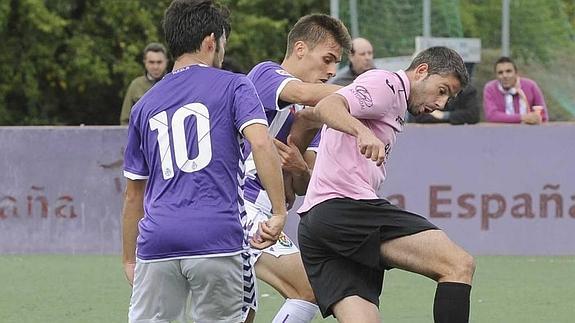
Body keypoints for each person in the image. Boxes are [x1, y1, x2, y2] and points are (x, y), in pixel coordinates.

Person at [121, 0, 287, 322]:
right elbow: (261, 143)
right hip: (217, 238)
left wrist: (130, 259)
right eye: (223, 41)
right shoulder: (235, 84)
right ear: (212, 41)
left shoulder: (144, 105)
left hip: (157, 242)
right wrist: (279, 212)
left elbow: (133, 194)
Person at [296, 46, 476, 323]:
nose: (442, 103)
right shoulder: (387, 84)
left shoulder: (392, 101)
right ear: (422, 71)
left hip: (316, 224)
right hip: (345, 209)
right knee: (458, 264)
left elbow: (310, 115)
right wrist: (361, 132)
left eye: (449, 97)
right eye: (442, 90)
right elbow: (327, 106)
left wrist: (294, 142)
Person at [243, 14, 351, 323]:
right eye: (327, 59)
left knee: (240, 314)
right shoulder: (266, 74)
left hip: (265, 213)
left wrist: (297, 166)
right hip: (241, 206)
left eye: (336, 63)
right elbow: (304, 94)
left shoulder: (310, 115)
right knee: (308, 289)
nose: (331, 71)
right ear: (300, 49)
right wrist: (372, 92)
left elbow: (306, 184)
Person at [483, 56, 548, 124]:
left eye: (508, 71)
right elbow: (492, 116)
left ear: (516, 73)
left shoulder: (531, 86)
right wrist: (522, 118)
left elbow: (543, 116)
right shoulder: (490, 88)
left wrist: (535, 118)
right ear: (496, 75)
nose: (504, 75)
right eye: (500, 73)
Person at [120, 42, 169, 125]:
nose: (155, 67)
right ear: (145, 62)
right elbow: (125, 120)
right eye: (151, 62)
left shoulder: (174, 83)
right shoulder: (136, 85)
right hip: (141, 136)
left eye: (159, 62)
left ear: (166, 62)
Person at [409, 84, 480, 124]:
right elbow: (420, 117)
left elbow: (473, 116)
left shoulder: (468, 91)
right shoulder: (430, 89)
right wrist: (457, 117)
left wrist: (444, 116)